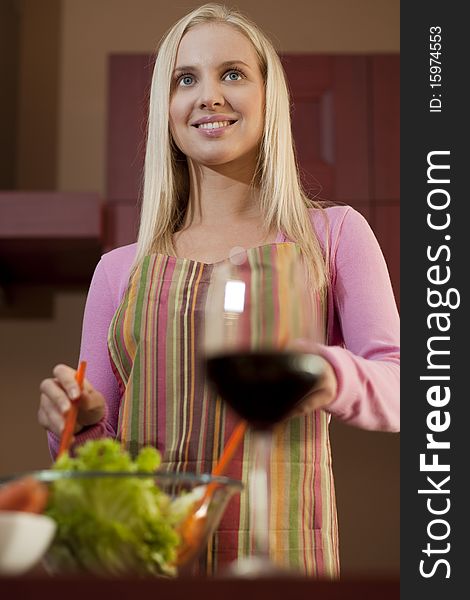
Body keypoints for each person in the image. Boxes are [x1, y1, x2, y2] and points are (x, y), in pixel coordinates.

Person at [37, 3, 399, 577]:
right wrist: (76, 422)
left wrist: (323, 372)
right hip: (145, 563)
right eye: (186, 79)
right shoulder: (118, 271)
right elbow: (91, 465)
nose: (208, 95)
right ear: (167, 109)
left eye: (232, 74)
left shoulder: (333, 236)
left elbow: (410, 389)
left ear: (267, 97)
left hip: (283, 562)